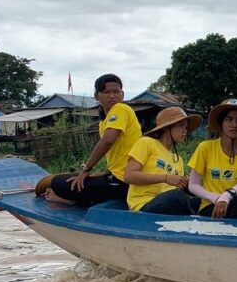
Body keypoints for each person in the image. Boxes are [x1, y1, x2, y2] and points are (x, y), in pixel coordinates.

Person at [46, 74, 142, 206]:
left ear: (122, 94)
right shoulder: (105, 120)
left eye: (116, 91)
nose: (112, 96)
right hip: (119, 177)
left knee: (58, 183)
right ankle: (84, 198)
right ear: (96, 96)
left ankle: (73, 201)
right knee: (66, 180)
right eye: (106, 92)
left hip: (124, 182)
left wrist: (86, 169)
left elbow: (107, 141)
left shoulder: (121, 108)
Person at [122, 106, 201, 215]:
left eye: (186, 127)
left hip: (169, 203)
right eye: (180, 126)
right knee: (176, 196)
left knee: (201, 201)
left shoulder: (179, 160)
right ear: (166, 128)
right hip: (144, 204)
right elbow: (129, 176)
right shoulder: (147, 143)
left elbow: (176, 187)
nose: (185, 131)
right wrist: (165, 178)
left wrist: (186, 184)